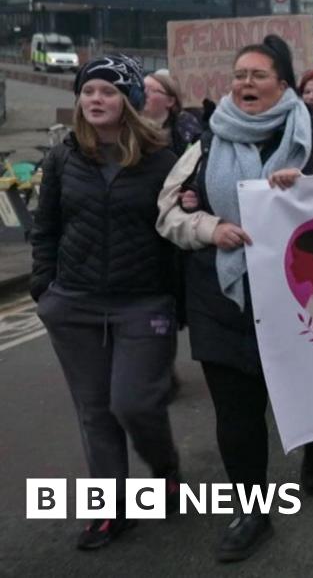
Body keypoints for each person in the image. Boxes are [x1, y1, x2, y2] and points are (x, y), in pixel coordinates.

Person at [156, 35, 313, 562]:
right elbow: (168, 213)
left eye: (258, 75)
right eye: (239, 74)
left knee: (302, 390)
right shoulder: (206, 142)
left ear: (283, 85)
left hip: (298, 294)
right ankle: (252, 511)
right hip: (222, 296)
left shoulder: (311, 137)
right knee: (236, 411)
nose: (245, 83)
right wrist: (208, 227)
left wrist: (306, 188)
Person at [31, 55, 182, 550]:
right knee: (95, 410)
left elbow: (174, 234)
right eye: (88, 91)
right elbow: (46, 227)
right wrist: (44, 290)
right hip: (72, 303)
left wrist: (177, 301)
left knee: (134, 403)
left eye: (108, 91)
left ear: (130, 102)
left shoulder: (163, 156)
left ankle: (164, 468)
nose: (95, 99)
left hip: (143, 302)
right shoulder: (63, 156)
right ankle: (110, 510)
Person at [143, 70, 202, 155]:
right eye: (141, 89)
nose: (144, 94)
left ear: (170, 101)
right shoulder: (128, 124)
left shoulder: (184, 126)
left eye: (151, 90)